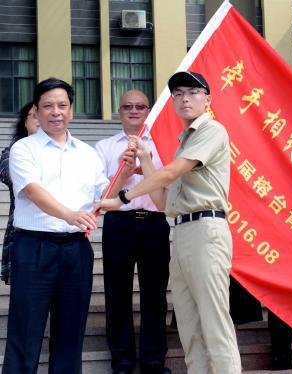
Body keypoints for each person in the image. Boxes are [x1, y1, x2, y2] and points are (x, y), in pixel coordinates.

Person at [96, 71, 242, 374]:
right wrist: (147, 161)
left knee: (214, 323)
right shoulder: (182, 142)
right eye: (178, 94)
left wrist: (121, 198)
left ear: (208, 99)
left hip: (206, 230)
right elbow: (164, 203)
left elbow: (172, 173)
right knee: (189, 324)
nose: (184, 98)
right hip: (183, 231)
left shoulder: (211, 130)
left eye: (192, 92)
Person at [2, 78, 109, 373]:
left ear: (71, 110)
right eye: (47, 106)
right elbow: (32, 190)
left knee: (70, 334)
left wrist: (126, 173)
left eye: (62, 105)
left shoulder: (88, 154)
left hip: (76, 250)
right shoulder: (24, 149)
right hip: (33, 248)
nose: (55, 111)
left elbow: (105, 196)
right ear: (36, 111)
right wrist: (68, 214)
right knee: (25, 332)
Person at [94, 90, 171, 374]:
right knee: (117, 295)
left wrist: (145, 165)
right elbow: (102, 196)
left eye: (140, 106)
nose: (134, 111)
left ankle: (153, 361)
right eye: (128, 106)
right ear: (119, 111)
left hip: (153, 223)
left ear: (149, 110)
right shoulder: (103, 147)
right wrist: (124, 172)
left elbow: (165, 194)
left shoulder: (163, 146)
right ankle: (123, 361)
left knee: (155, 295)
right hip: (118, 223)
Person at [0, 103, 40, 285]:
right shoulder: (11, 153)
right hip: (23, 233)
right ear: (25, 122)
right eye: (34, 115)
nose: (41, 119)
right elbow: (12, 177)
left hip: (62, 233)